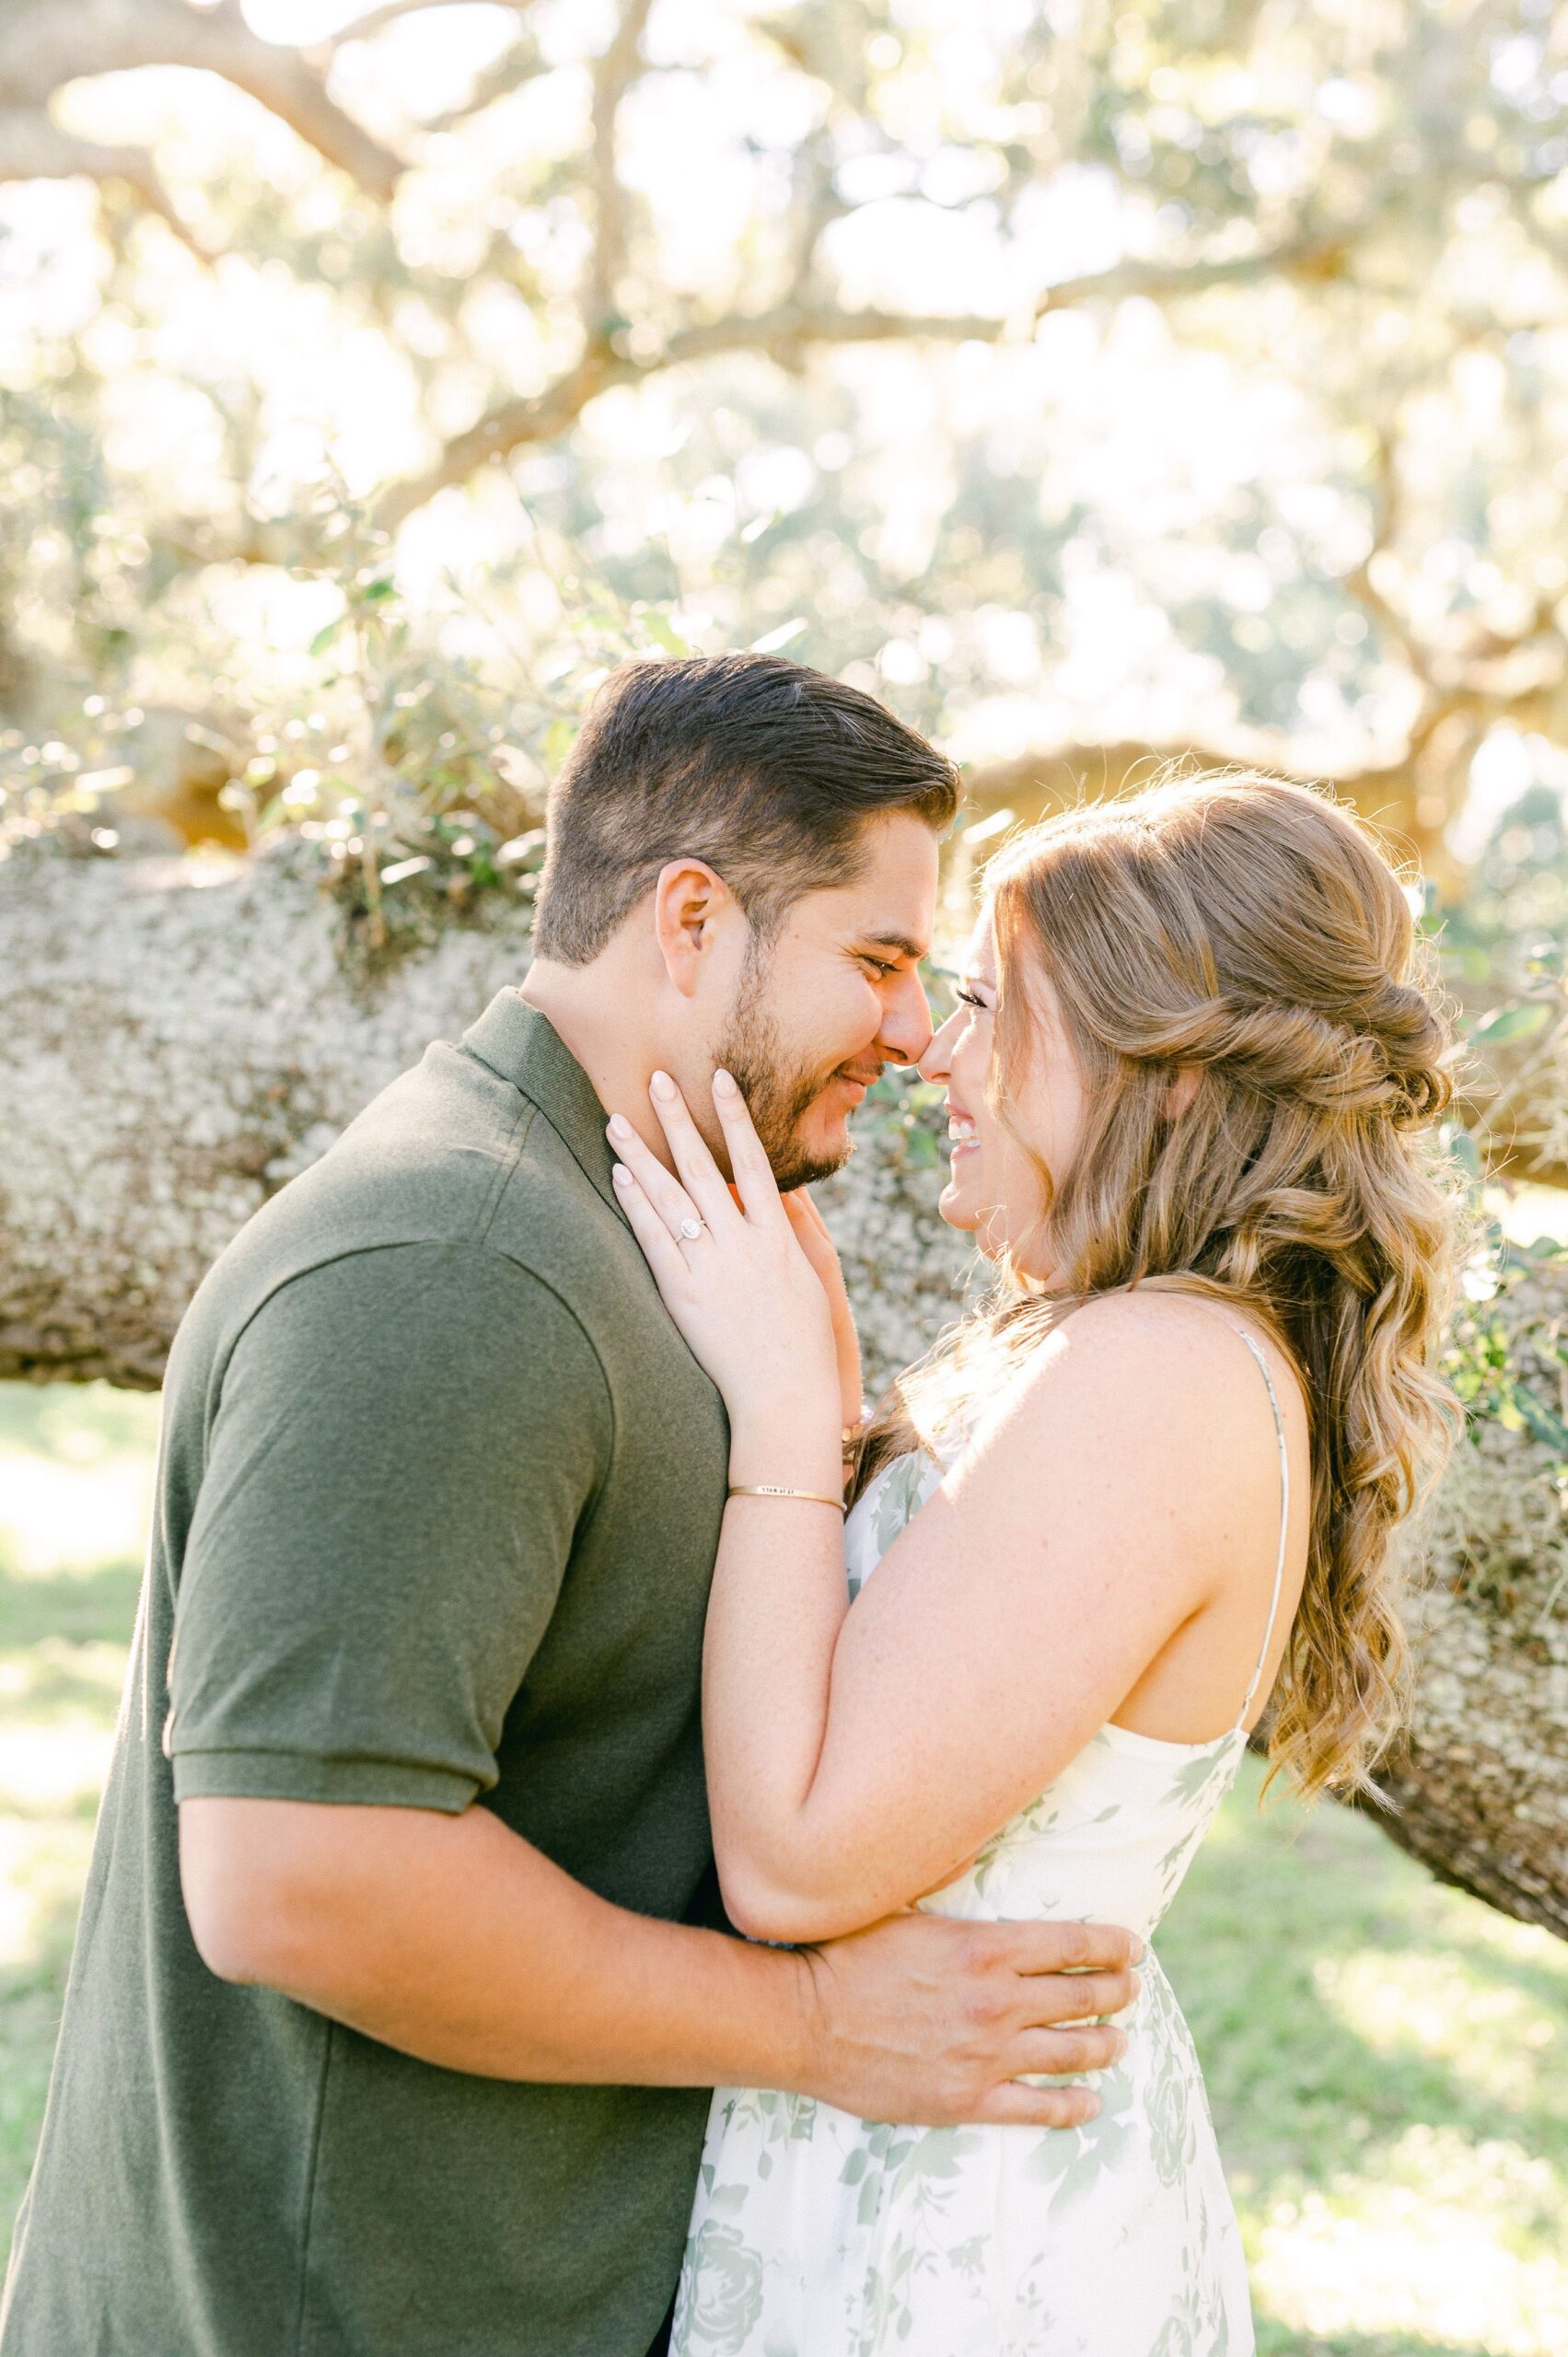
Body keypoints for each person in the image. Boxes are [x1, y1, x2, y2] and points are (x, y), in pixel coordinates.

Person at [0, 654, 1142, 2357]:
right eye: (879, 962)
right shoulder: (452, 1268)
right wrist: (817, 2026)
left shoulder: (636, 1234)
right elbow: (300, 1874)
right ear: (690, 921)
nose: (917, 1036)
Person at [607, 772, 1459, 2357]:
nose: (933, 1048)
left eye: (994, 1004)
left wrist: (782, 1421)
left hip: (969, 2234)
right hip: (923, 2159)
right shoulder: (1116, 1344)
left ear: (1174, 1073)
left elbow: (795, 1862)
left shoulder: (1162, 1374)